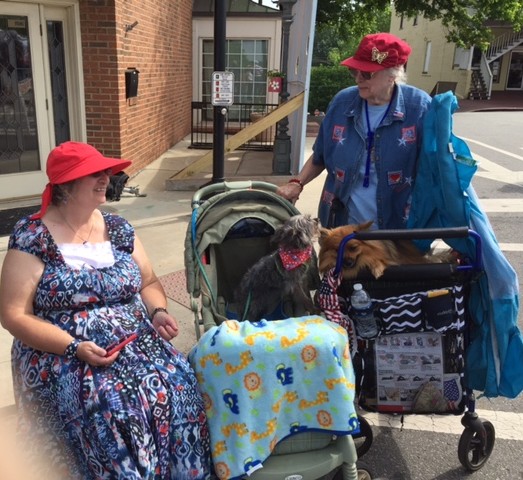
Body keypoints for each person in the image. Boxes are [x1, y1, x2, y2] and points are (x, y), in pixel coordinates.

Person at [0, 141, 211, 479]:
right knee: (113, 406)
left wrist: (157, 312)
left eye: (105, 172)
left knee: (179, 383)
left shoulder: (118, 229)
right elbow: (14, 314)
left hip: (134, 343)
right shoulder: (33, 236)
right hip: (62, 352)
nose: (105, 178)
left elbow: (149, 282)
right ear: (66, 185)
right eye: (93, 173)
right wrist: (73, 347)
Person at [277, 33, 432, 229]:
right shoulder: (342, 102)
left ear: (392, 75)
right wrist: (297, 183)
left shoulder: (419, 107)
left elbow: (439, 171)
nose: (358, 78)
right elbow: (320, 156)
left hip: (398, 231)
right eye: (355, 71)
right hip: (341, 227)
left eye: (367, 74)